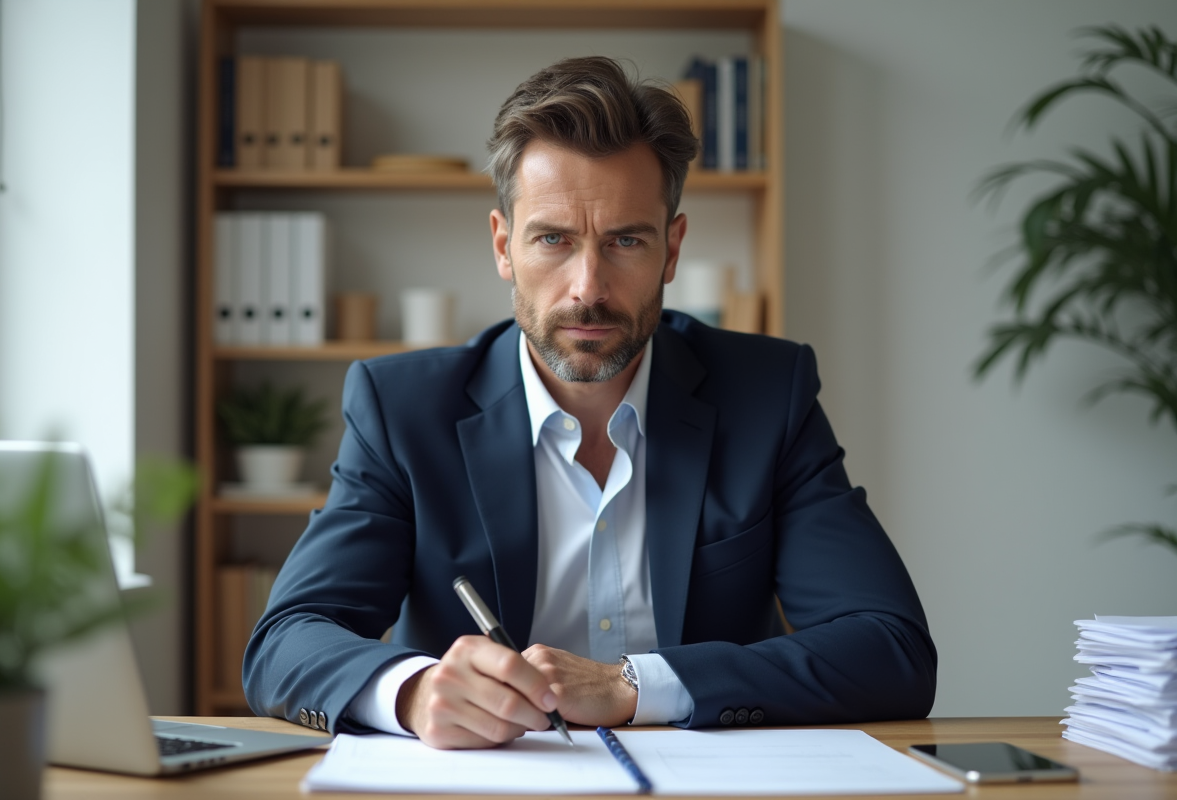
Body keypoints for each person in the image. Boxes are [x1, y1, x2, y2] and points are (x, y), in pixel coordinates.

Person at [244, 56, 936, 749]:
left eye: (625, 241)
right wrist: (415, 691)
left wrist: (634, 686)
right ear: (502, 245)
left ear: (671, 249)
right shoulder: (402, 410)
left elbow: (891, 651)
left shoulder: (767, 395)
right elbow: (285, 642)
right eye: (553, 239)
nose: (587, 287)